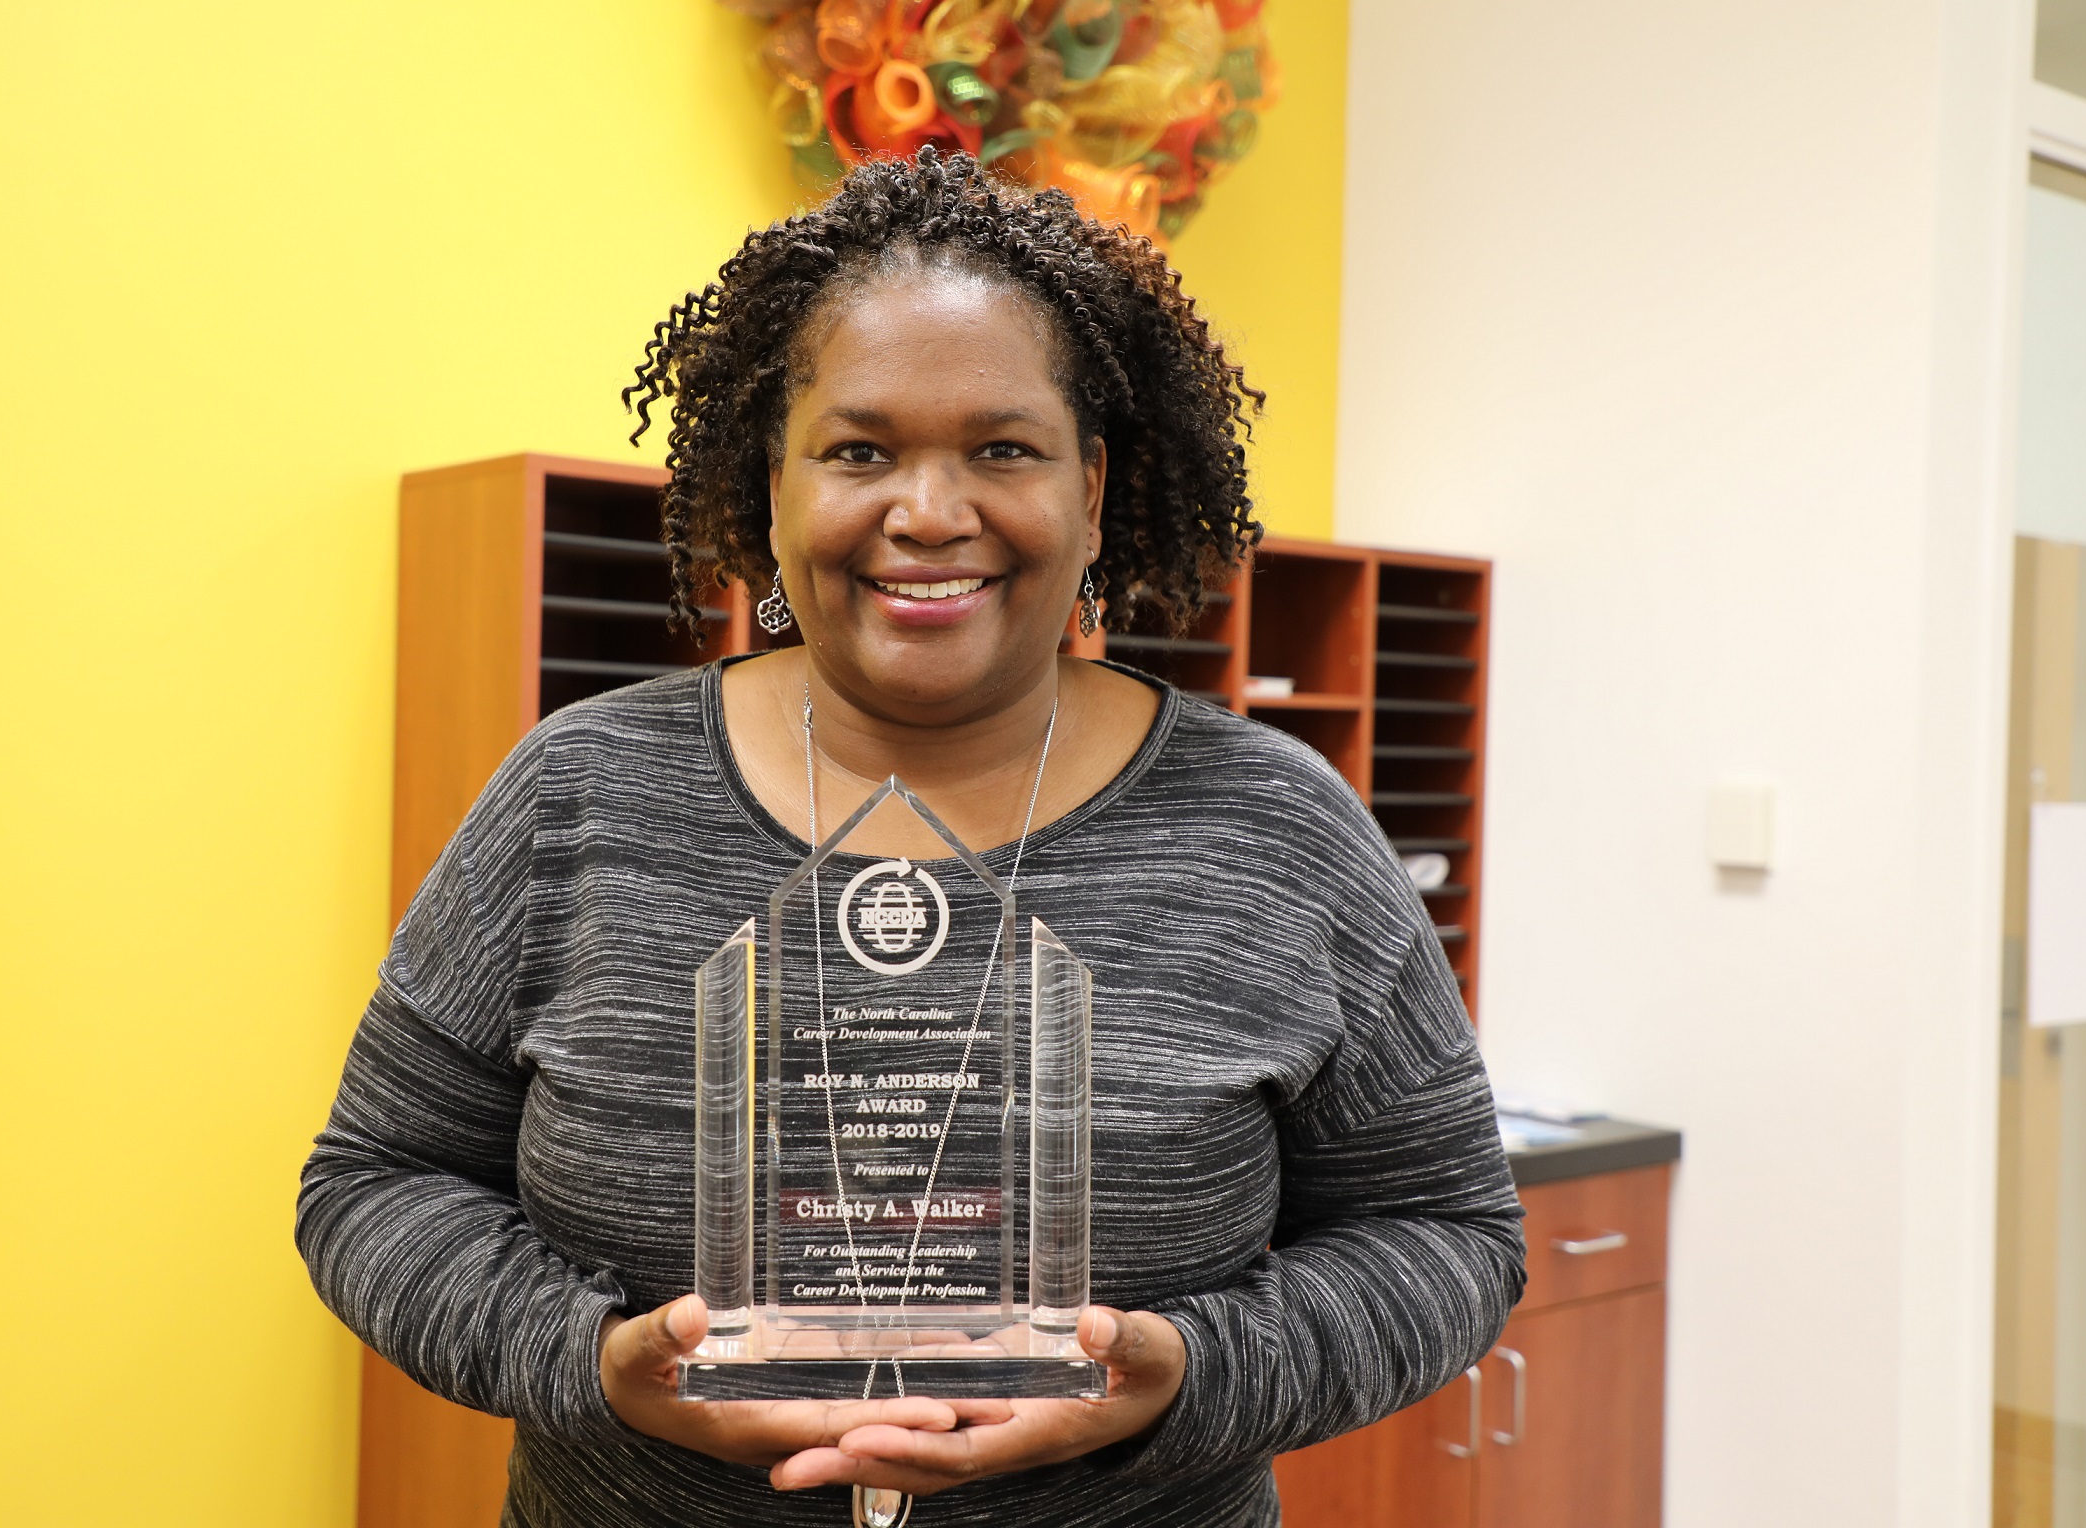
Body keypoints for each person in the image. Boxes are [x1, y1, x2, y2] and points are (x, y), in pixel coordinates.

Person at [298, 149, 1525, 1528]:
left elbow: (1451, 1238)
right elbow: (374, 1185)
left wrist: (1192, 1373)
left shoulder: (1279, 829)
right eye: (859, 449)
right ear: (774, 487)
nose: (929, 514)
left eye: (1002, 448)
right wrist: (588, 1361)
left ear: (1094, 486)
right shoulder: (575, 794)